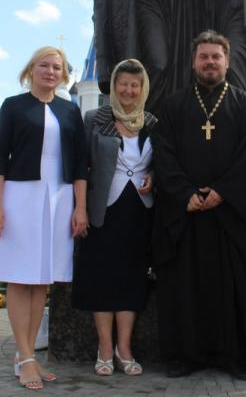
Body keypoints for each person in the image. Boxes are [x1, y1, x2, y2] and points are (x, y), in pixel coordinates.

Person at [153, 30, 246, 380]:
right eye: (204, 57)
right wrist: (185, 194)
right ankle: (185, 356)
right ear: (193, 62)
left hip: (230, 213)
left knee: (235, 290)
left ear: (227, 60)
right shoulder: (173, 105)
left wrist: (222, 191)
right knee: (185, 287)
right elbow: (163, 154)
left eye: (216, 57)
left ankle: (237, 356)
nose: (210, 62)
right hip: (188, 213)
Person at [0, 46, 88, 389]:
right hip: (20, 197)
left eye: (57, 67)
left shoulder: (70, 110)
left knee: (42, 278)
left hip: (58, 198)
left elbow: (80, 165)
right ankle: (26, 356)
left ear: (64, 74)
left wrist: (80, 206)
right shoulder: (13, 106)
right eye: (44, 65)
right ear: (31, 69)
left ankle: (25, 355)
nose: (51, 71)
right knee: (19, 276)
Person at [72, 59, 156, 376]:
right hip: (103, 210)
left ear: (142, 88)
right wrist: (79, 208)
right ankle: (105, 348)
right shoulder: (96, 119)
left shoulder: (151, 122)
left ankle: (125, 348)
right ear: (114, 87)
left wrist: (157, 177)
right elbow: (80, 166)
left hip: (139, 209)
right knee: (102, 279)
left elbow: (162, 159)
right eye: (123, 84)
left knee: (132, 280)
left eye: (135, 85)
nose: (128, 90)